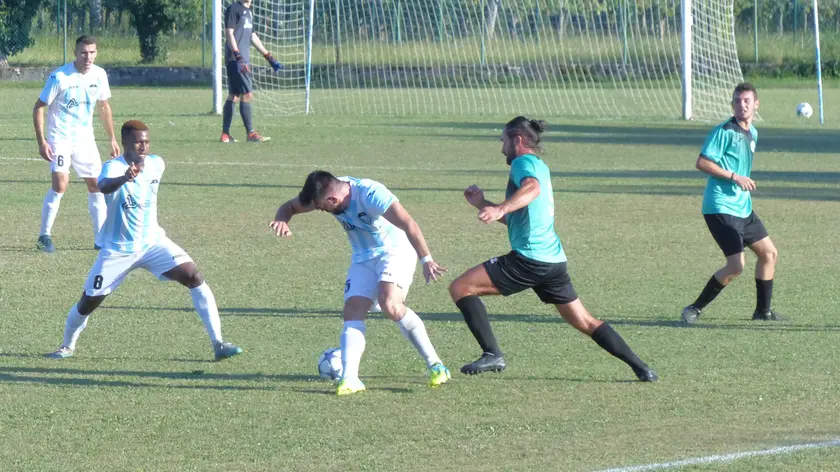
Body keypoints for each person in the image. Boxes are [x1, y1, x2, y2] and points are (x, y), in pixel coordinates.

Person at [448, 116, 658, 382]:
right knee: (585, 321)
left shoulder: (522, 163)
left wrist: (500, 207)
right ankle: (642, 368)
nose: (502, 148)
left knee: (460, 288)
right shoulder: (539, 166)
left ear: (517, 140)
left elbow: (531, 189)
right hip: (553, 263)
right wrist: (483, 204)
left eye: (503, 141)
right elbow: (518, 218)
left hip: (529, 260)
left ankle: (492, 354)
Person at [46, 120, 243, 361]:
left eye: (147, 141)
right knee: (89, 302)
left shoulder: (157, 164)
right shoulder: (113, 167)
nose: (144, 146)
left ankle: (218, 343)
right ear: (126, 142)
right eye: (139, 141)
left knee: (194, 276)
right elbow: (103, 186)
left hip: (152, 243)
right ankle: (67, 345)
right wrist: (124, 178)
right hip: (118, 251)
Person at [269, 171, 451, 395]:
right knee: (352, 310)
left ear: (333, 200)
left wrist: (427, 260)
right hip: (363, 257)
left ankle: (436, 366)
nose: (322, 211)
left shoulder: (371, 193)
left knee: (390, 304)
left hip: (395, 251)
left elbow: (408, 223)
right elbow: (290, 206)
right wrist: (282, 219)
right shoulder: (324, 194)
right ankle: (350, 379)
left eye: (323, 208)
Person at [681, 83, 782, 324]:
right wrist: (735, 177)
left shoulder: (753, 133)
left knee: (769, 253)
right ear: (732, 105)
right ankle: (693, 309)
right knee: (736, 265)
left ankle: (762, 313)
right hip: (720, 207)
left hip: (742, 207)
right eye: (737, 101)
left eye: (747, 100)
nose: (742, 105)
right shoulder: (724, 131)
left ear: (756, 104)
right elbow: (702, 162)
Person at [33, 35, 120, 253]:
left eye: (92, 52)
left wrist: (112, 138)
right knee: (61, 185)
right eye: (83, 52)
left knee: (97, 186)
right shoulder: (60, 77)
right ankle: (44, 235)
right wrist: (42, 141)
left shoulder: (100, 75)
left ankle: (99, 239)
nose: (88, 57)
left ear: (96, 53)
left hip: (85, 139)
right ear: (75, 53)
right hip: (60, 137)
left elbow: (104, 107)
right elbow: (39, 107)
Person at [220, 0, 282, 143]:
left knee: (234, 95)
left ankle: (225, 135)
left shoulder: (248, 12)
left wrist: (268, 57)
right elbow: (229, 33)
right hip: (237, 60)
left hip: (238, 60)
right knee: (247, 94)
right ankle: (251, 134)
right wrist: (238, 56)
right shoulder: (234, 8)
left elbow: (253, 36)